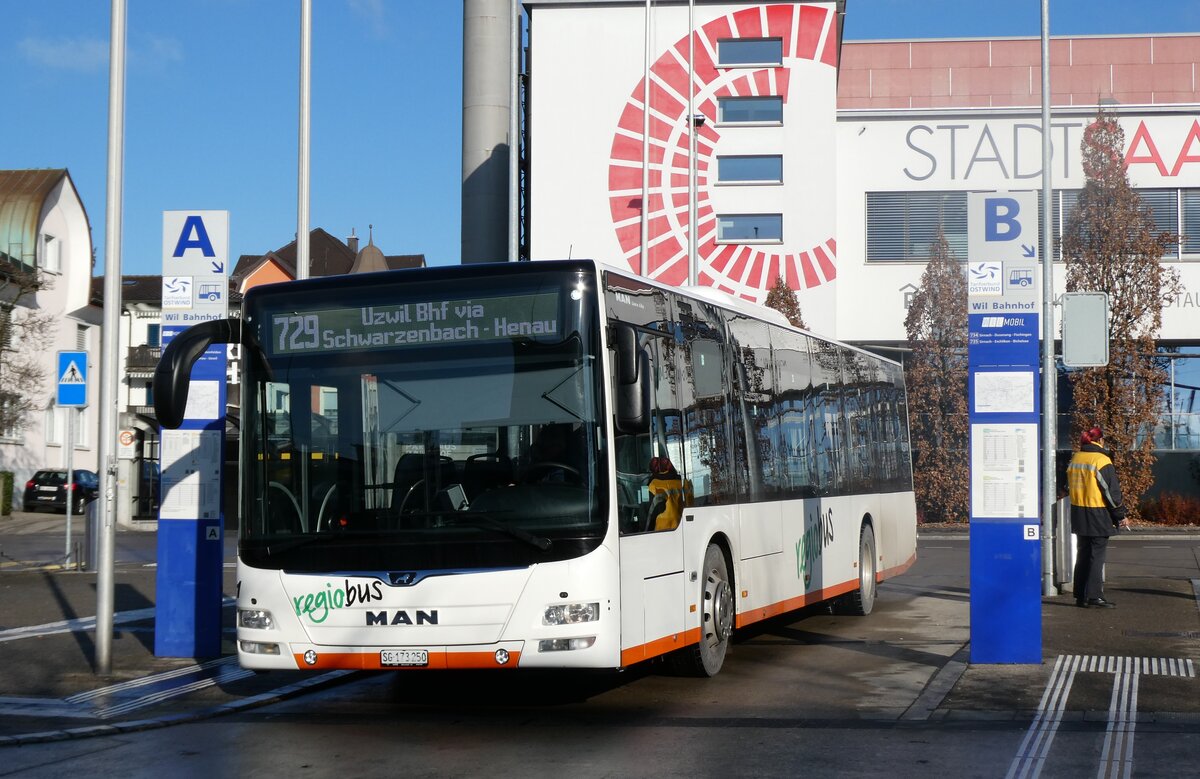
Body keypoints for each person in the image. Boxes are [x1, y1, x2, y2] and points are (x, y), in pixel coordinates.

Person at [1066, 425, 1130, 609]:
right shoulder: (1101, 460)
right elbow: (1111, 492)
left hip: (1079, 512)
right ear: (1100, 440)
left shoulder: (1076, 458)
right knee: (1097, 556)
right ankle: (1094, 596)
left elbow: (1068, 486)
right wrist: (1120, 515)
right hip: (1097, 513)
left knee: (1083, 555)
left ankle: (1080, 595)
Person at [646, 456, 692, 531]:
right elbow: (689, 502)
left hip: (661, 526)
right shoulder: (679, 481)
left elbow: (648, 509)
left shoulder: (653, 484)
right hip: (679, 523)